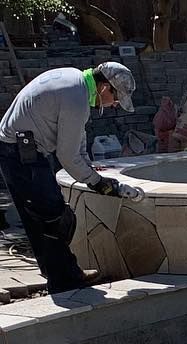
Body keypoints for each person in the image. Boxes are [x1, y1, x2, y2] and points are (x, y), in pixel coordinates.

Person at [0, 61, 140, 292]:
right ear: (105, 88)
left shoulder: (75, 82)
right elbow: (67, 155)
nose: (115, 105)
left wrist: (89, 168)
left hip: (19, 149)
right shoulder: (76, 97)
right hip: (19, 153)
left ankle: (62, 275)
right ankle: (65, 282)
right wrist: (97, 183)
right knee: (54, 218)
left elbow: (77, 140)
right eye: (116, 99)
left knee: (46, 217)